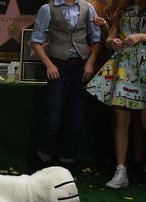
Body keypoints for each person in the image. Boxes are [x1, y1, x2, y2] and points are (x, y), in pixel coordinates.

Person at [85, 0, 146, 189]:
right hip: (123, 66)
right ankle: (121, 170)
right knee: (121, 119)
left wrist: (141, 36)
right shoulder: (121, 9)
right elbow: (109, 40)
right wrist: (112, 41)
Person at [30, 0, 102, 175]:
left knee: (76, 120)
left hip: (81, 67)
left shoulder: (87, 8)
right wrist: (49, 65)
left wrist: (90, 63)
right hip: (57, 66)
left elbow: (97, 39)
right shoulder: (47, 9)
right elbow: (35, 41)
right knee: (53, 119)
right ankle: (43, 161)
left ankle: (67, 164)